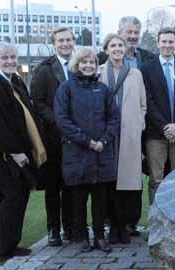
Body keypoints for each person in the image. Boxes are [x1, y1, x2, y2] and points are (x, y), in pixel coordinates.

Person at [54, 47, 119, 253]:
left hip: (101, 152)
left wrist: (104, 140)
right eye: (84, 62)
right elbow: (63, 120)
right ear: (76, 64)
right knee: (78, 199)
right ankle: (81, 237)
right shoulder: (66, 88)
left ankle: (100, 237)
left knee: (100, 199)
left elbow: (114, 118)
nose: (88, 65)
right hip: (77, 153)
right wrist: (87, 141)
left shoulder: (104, 89)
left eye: (92, 62)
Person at [0, 42, 47, 260]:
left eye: (12, 57)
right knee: (11, 197)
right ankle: (3, 247)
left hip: (20, 151)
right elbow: (1, 123)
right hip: (7, 154)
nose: (10, 61)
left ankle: (11, 244)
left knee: (20, 196)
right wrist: (13, 151)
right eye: (4, 58)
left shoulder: (15, 80)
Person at [99, 34, 146, 245]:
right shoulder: (99, 72)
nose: (117, 49)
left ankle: (126, 224)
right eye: (113, 45)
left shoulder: (135, 73)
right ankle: (112, 224)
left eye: (120, 45)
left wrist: (140, 123)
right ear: (107, 49)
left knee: (128, 181)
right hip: (107, 134)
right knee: (109, 180)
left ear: (125, 49)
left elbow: (143, 103)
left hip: (129, 134)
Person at [140, 28, 175, 204]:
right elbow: (148, 101)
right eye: (163, 41)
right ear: (158, 44)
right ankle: (157, 224)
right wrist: (165, 127)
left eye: (171, 41)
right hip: (156, 134)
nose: (167, 45)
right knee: (157, 180)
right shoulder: (146, 69)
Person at [30, 27, 75, 246]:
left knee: (70, 187)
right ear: (54, 43)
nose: (66, 43)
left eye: (68, 40)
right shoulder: (44, 69)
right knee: (53, 187)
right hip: (53, 137)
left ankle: (69, 227)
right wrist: (59, 122)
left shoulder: (78, 66)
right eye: (61, 40)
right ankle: (53, 230)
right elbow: (37, 101)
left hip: (74, 139)